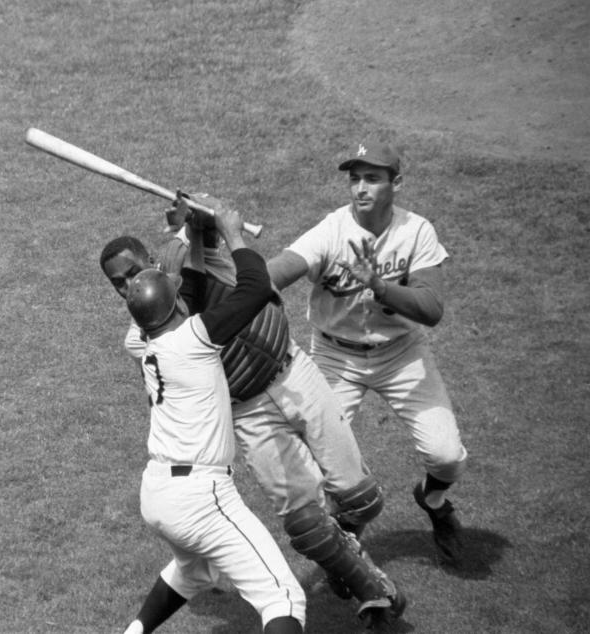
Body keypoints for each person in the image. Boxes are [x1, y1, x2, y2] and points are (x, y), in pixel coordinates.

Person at [101, 195, 406, 630]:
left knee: (361, 498)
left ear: (149, 259)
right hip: (246, 412)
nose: (129, 284)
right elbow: (215, 290)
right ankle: (366, 585)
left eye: (134, 272)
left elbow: (195, 265)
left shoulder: (176, 264)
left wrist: (197, 221)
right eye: (119, 282)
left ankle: (345, 546)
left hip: (289, 370)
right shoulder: (145, 332)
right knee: (306, 528)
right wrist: (222, 231)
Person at [264, 141, 468, 566]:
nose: (360, 188)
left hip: (401, 354)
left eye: (372, 178)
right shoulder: (331, 231)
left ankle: (433, 501)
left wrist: (380, 287)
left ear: (396, 183)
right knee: (322, 465)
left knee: (446, 458)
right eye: (354, 178)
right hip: (336, 357)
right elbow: (280, 269)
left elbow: (431, 310)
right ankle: (350, 536)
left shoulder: (417, 231)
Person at [117, 203, 305, 634]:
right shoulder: (196, 338)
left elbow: (187, 286)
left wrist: (194, 235)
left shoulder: (148, 343)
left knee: (194, 571)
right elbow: (256, 289)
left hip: (159, 494)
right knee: (284, 597)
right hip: (201, 496)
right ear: (175, 306)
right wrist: (232, 233)